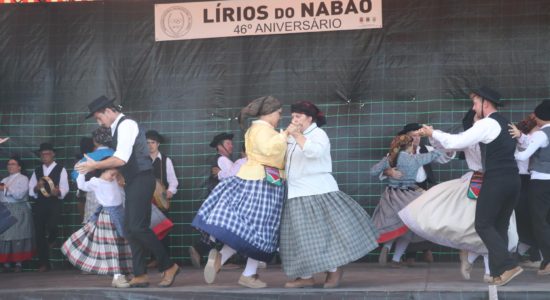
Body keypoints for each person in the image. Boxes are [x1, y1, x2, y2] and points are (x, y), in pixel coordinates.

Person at [419, 86, 523, 286]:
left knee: (483, 224)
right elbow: (521, 147)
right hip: (513, 180)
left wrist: (433, 132)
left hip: (497, 180)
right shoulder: (505, 122)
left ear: (485, 103)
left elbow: (457, 141)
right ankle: (497, 272)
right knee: (499, 226)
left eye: (475, 103)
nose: (474, 108)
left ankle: (508, 265)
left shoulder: (487, 124)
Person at [76, 95, 180, 288]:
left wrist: (95, 166)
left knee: (137, 227)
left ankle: (169, 265)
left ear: (108, 110)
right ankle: (140, 274)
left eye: (99, 118)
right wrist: (116, 172)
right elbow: (125, 159)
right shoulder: (117, 128)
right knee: (131, 229)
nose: (100, 122)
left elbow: (122, 158)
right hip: (134, 180)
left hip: (141, 178)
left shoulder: (126, 125)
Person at [192, 96, 294, 288]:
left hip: (258, 179)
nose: (280, 117)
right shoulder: (263, 130)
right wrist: (286, 133)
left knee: (251, 231)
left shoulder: (256, 129)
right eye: (279, 113)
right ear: (270, 112)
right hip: (264, 183)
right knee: (260, 231)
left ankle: (223, 260)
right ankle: (246, 273)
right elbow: (269, 149)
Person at [280, 101, 379, 289]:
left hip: (318, 191)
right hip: (295, 192)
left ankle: (334, 269)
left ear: (310, 118)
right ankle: (306, 276)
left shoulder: (318, 134)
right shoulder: (291, 136)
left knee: (325, 234)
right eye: (292, 116)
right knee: (300, 237)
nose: (294, 120)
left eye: (298, 116)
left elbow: (314, 152)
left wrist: (296, 134)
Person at [379, 123, 455, 265]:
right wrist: (389, 171)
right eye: (413, 136)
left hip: (421, 191)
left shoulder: (426, 149)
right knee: (400, 222)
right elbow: (382, 171)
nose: (416, 139)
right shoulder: (395, 152)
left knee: (412, 226)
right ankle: (390, 250)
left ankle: (398, 254)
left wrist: (449, 149)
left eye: (418, 136)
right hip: (401, 191)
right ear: (406, 137)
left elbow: (444, 157)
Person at [370, 134, 443, 267]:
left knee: (392, 224)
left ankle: (387, 246)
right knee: (408, 229)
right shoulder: (415, 159)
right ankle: (396, 259)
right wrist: (440, 141)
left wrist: (389, 171)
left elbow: (373, 171)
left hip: (390, 195)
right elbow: (436, 154)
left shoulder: (389, 159)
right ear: (409, 146)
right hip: (408, 196)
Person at [62, 165, 132, 288]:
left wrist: (119, 176)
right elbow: (82, 186)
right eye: (112, 174)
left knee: (123, 244)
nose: (113, 177)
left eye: (115, 174)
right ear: (103, 171)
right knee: (112, 246)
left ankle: (124, 272)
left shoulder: (116, 179)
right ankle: (117, 276)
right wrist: (81, 173)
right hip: (107, 217)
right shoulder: (96, 182)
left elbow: (121, 182)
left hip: (120, 215)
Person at [514, 100, 550, 275]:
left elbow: (522, 157)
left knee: (539, 222)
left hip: (540, 182)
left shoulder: (541, 134)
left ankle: (548, 261)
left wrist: (509, 150)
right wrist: (521, 137)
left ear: (540, 117)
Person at [29, 142, 69, 272]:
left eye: (47, 153)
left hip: (54, 203)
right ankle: (43, 263)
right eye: (42, 154)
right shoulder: (37, 170)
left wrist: (58, 192)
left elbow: (65, 187)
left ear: (53, 155)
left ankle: (53, 237)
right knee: (39, 232)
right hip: (40, 203)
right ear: (40, 156)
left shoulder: (60, 169)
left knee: (53, 225)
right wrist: (36, 187)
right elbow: (31, 189)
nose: (45, 156)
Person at [509, 113, 542, 267]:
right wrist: (521, 136)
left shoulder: (536, 136)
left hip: (532, 180)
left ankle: (533, 253)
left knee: (533, 218)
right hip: (523, 180)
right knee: (524, 218)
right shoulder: (526, 139)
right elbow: (526, 145)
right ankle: (524, 252)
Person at [145, 130, 178, 267]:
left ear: (158, 144)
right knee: (148, 230)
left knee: (162, 231)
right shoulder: (141, 160)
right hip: (145, 201)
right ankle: (153, 258)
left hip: (160, 202)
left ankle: (164, 260)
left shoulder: (166, 160)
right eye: (147, 143)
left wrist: (170, 192)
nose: (150, 145)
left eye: (153, 143)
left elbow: (173, 181)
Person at [71, 127, 115, 223]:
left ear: (95, 141)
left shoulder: (88, 157)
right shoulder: (117, 155)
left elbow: (75, 175)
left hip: (94, 195)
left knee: (93, 225)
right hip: (115, 194)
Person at [0, 157, 33, 273]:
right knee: (4, 236)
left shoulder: (23, 179)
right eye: (9, 164)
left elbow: (19, 195)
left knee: (18, 235)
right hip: (5, 209)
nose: (10, 166)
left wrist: (5, 189)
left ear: (19, 167)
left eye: (13, 164)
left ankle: (18, 262)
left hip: (18, 209)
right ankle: (6, 263)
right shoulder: (4, 179)